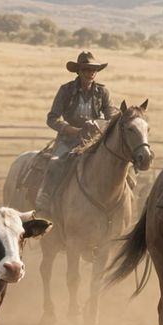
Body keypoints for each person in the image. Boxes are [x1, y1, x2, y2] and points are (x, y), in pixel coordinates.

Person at [38, 51, 115, 214]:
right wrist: (71, 130)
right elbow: (52, 118)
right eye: (86, 70)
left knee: (117, 162)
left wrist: (101, 126)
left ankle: (124, 199)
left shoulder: (102, 92)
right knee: (55, 162)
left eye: (93, 70)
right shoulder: (66, 90)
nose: (90, 73)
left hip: (94, 141)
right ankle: (45, 197)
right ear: (79, 71)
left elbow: (111, 117)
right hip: (68, 140)